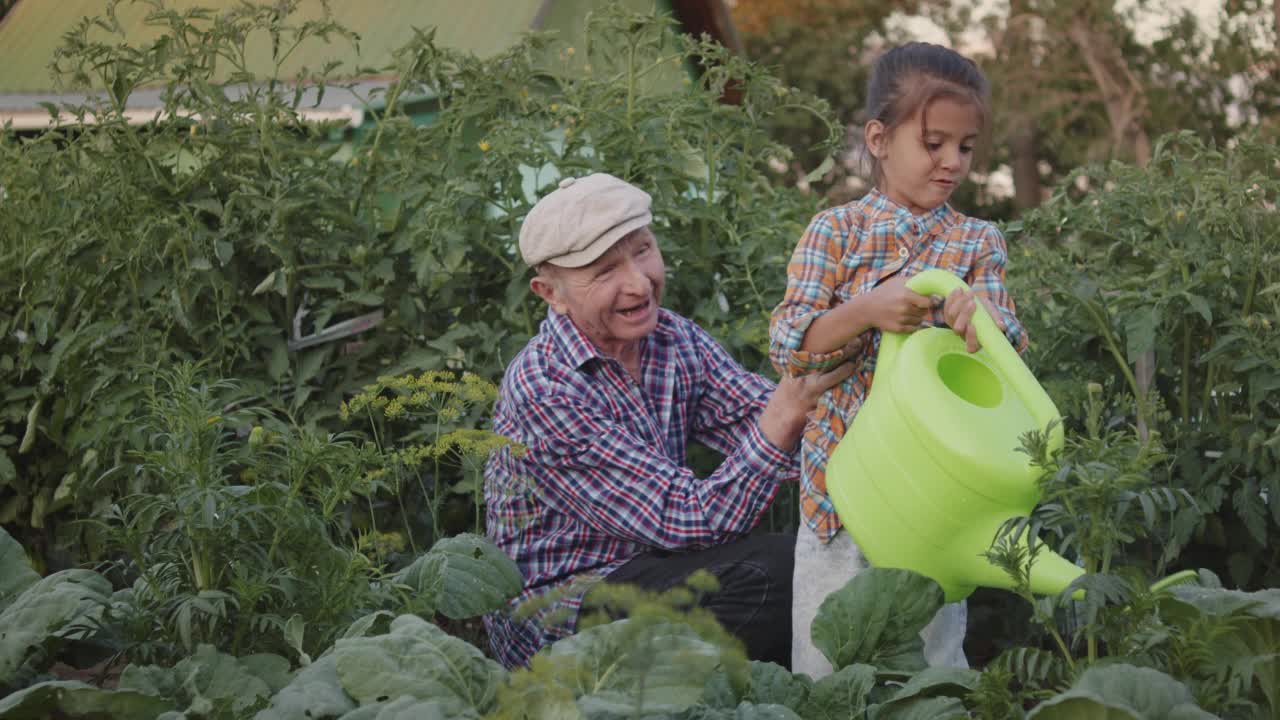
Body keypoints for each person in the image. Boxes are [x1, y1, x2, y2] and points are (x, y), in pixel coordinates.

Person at [483, 173, 854, 670]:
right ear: (551, 293)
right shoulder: (545, 388)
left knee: (819, 561)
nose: (638, 283)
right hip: (565, 609)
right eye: (605, 270)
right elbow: (688, 518)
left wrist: (856, 433)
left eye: (643, 251)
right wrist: (787, 412)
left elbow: (758, 417)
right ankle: (613, 698)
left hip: (654, 564)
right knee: (777, 576)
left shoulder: (671, 339)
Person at [769, 42, 1029, 677]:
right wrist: (868, 309)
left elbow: (1008, 352)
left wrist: (980, 324)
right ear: (879, 139)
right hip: (839, 493)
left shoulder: (976, 241)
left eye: (965, 148)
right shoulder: (836, 233)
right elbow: (789, 349)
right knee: (827, 665)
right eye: (933, 143)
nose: (951, 164)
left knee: (932, 664)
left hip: (932, 495)